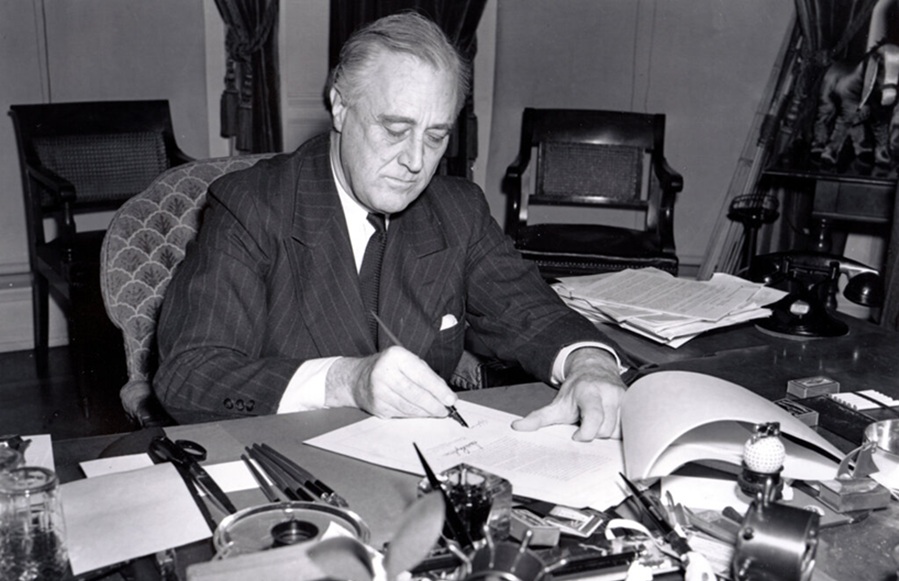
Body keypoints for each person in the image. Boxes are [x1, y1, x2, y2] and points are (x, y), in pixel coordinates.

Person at [155, 11, 628, 440]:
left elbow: (531, 312)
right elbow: (189, 375)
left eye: (436, 136)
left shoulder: (458, 210)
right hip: (289, 466)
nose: (416, 161)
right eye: (395, 130)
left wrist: (589, 364)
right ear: (340, 106)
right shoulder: (253, 206)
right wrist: (346, 381)